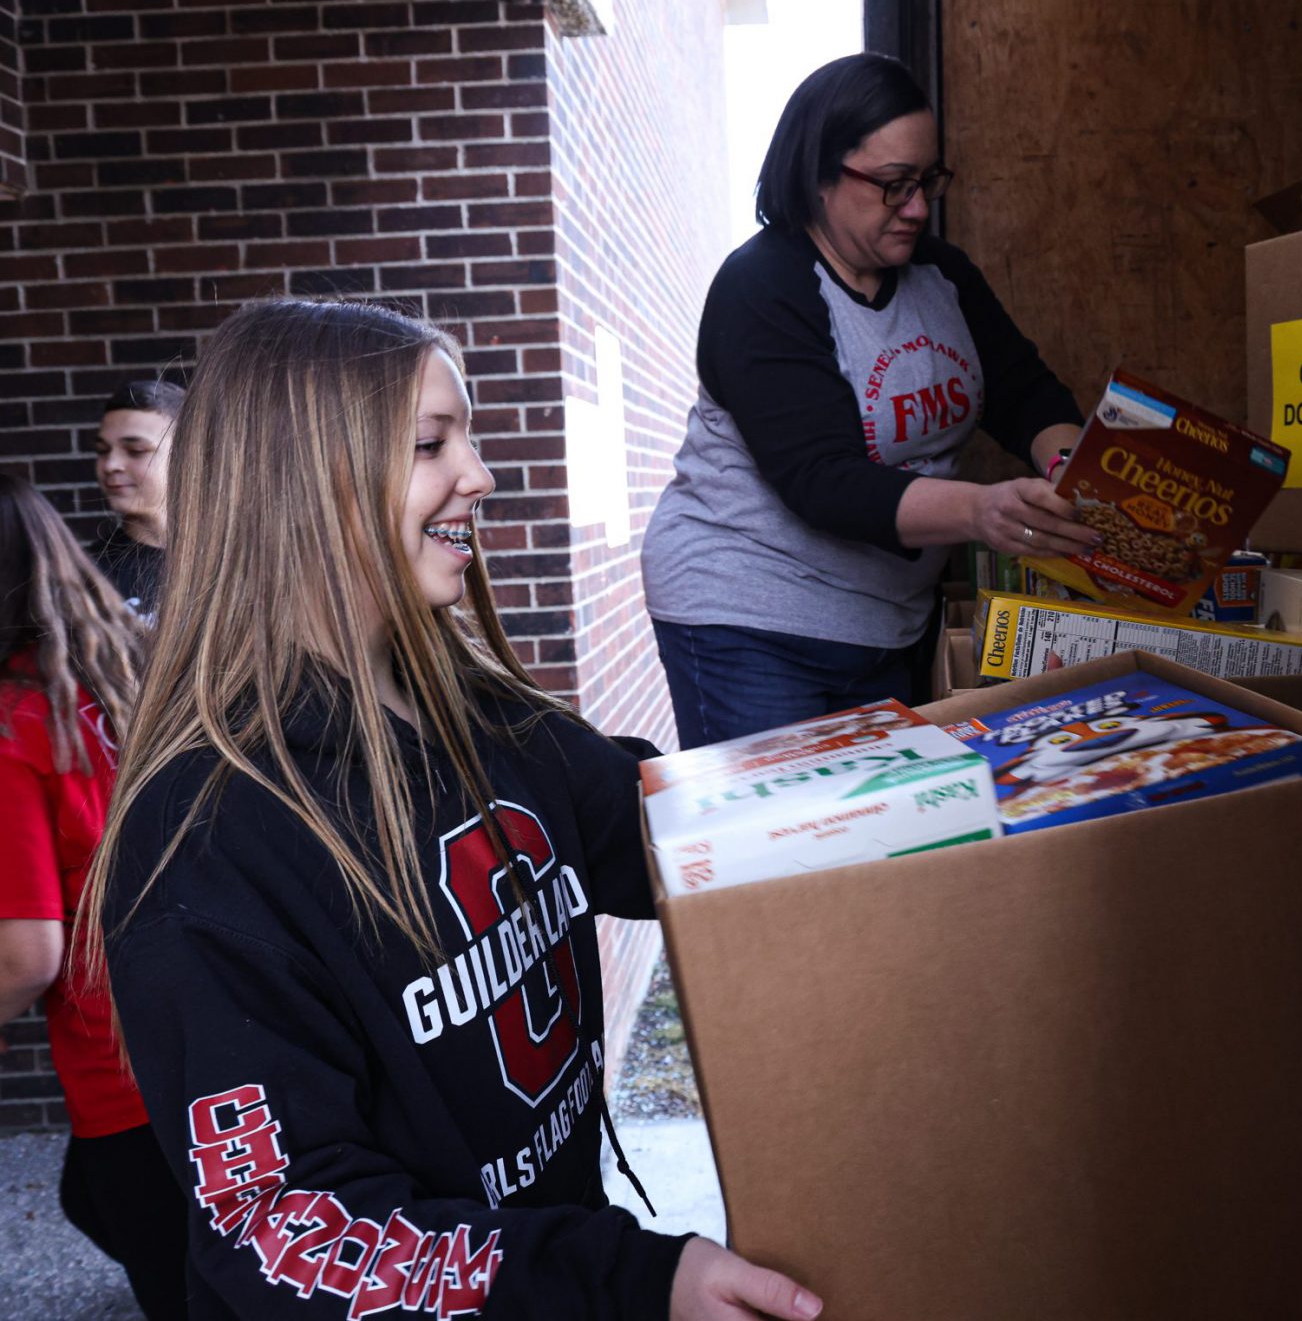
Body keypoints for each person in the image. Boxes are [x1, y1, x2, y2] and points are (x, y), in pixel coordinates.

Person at [80, 300, 822, 1321]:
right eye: (432, 444)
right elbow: (290, 1231)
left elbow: (663, 832)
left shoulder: (478, 714)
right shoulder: (204, 843)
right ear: (305, 482)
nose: (478, 474)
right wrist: (626, 1280)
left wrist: (921, 792)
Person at [641, 52, 1099, 747]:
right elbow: (823, 482)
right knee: (787, 847)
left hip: (885, 620)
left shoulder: (943, 276)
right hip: (749, 615)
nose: (917, 208)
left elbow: (1023, 389)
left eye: (926, 181)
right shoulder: (760, 287)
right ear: (819, 175)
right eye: (892, 185)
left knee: (882, 845)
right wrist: (982, 510)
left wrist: (1074, 472)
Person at [0, 474, 190, 1319]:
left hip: (122, 1062)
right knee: (90, 1197)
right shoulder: (134, 659)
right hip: (214, 1011)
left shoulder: (14, 725)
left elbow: (25, 956)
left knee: (184, 1283)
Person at [89, 377, 184, 620]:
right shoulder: (85, 575)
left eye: (136, 451)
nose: (110, 465)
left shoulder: (232, 559)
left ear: (186, 454)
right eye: (103, 451)